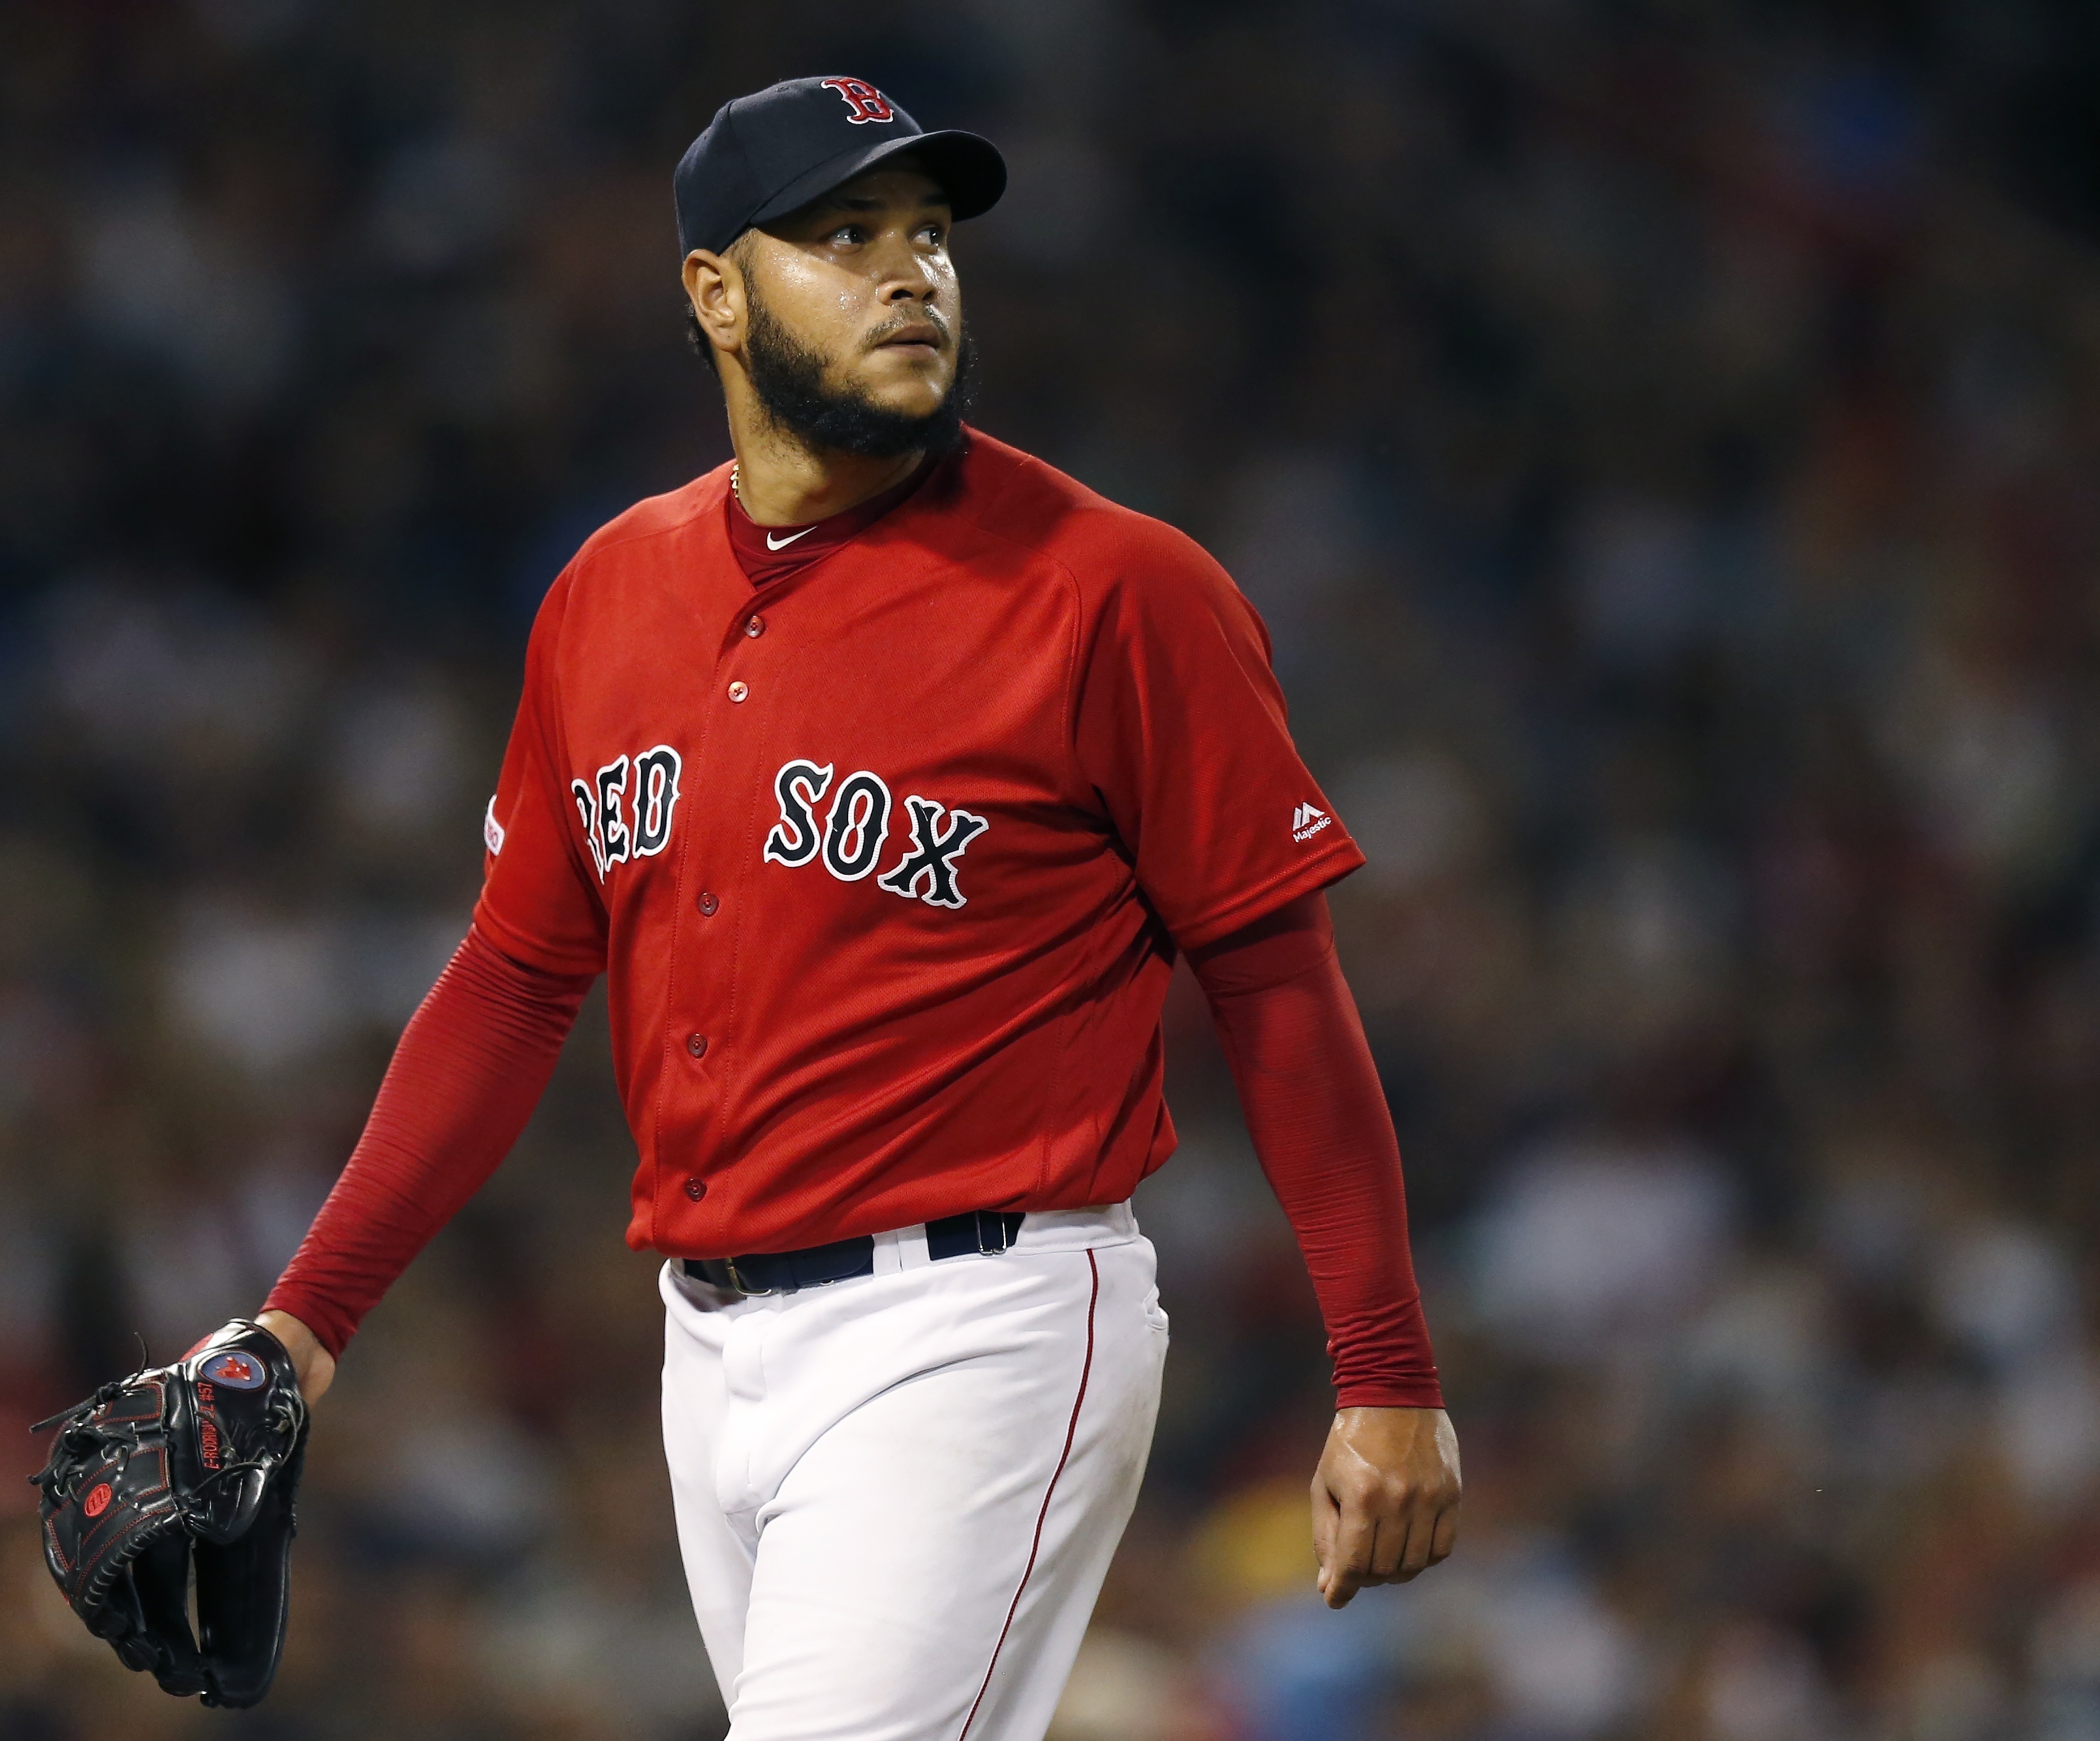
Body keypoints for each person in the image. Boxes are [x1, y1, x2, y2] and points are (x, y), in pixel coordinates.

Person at [247, 74, 1460, 1740]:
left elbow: (1276, 985)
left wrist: (1383, 1370)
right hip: (708, 1347)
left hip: (980, 1317)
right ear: (714, 292)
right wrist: (301, 1321)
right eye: (842, 234)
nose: (910, 273)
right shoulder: (609, 592)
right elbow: (517, 978)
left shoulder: (1116, 589)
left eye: (928, 235)